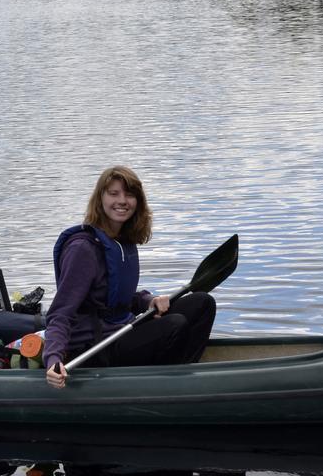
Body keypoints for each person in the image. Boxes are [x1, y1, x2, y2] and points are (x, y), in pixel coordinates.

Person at [44, 166, 216, 389]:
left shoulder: (122, 241)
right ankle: (169, 387)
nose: (122, 200)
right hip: (94, 347)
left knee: (202, 303)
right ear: (100, 199)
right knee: (175, 324)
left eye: (129, 194)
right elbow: (61, 311)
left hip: (121, 330)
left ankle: (182, 373)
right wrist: (53, 359)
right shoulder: (82, 249)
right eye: (113, 193)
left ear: (138, 201)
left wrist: (147, 301)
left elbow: (116, 296)